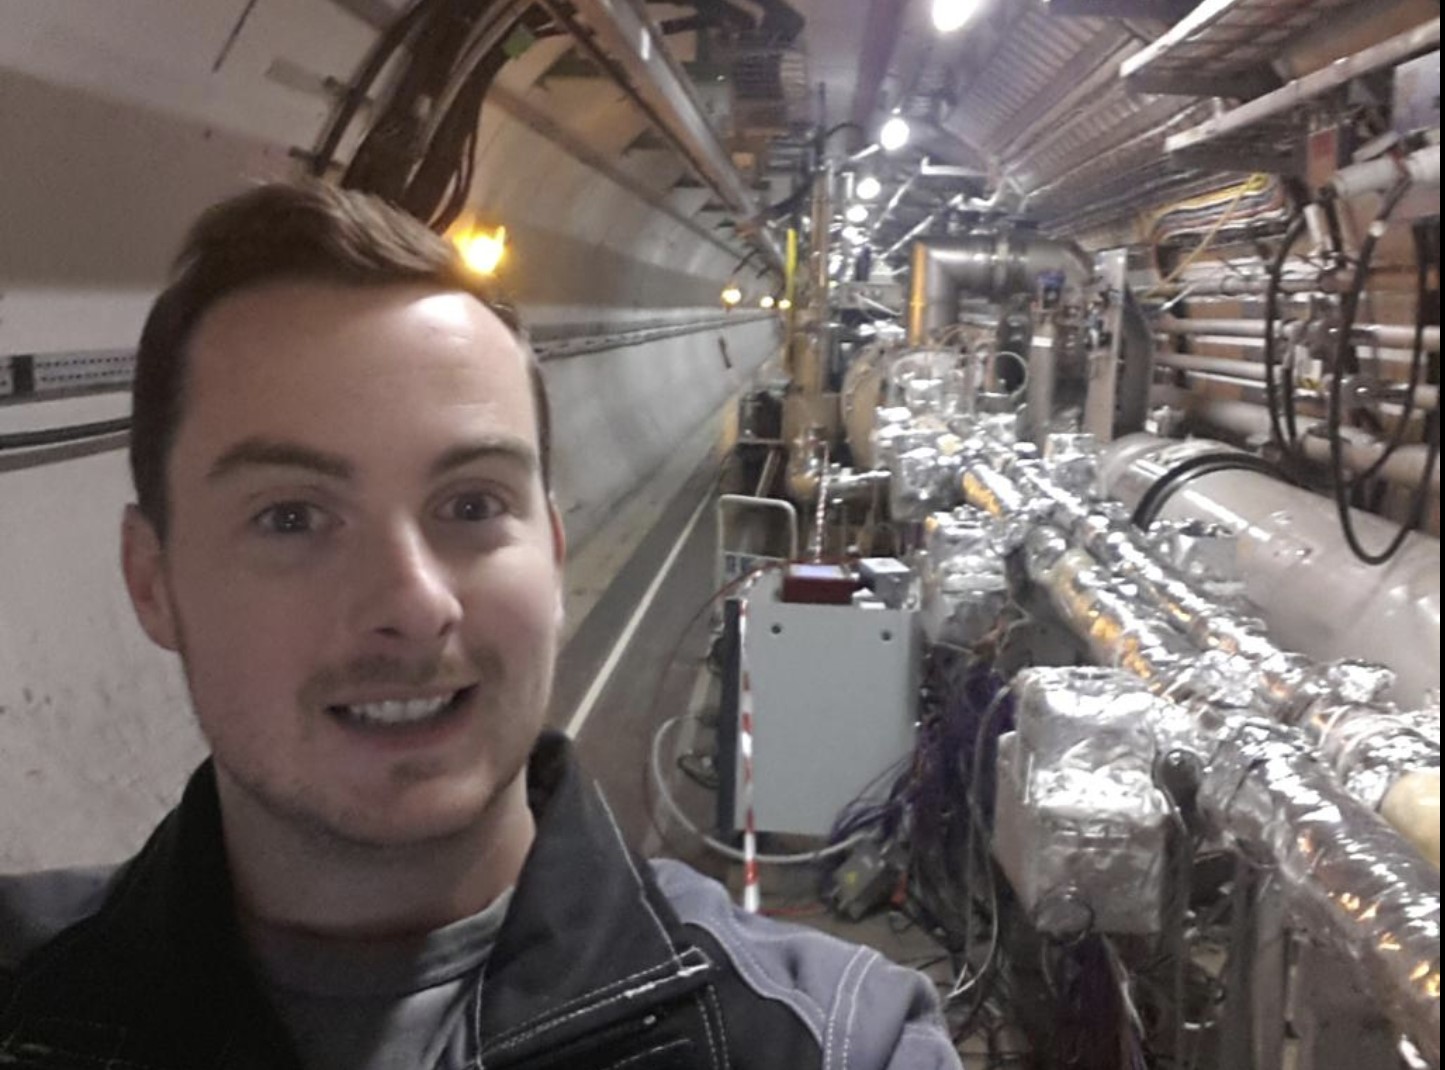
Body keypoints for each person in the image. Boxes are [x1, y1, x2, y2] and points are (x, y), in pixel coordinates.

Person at [0, 181, 962, 1070]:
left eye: (469, 505)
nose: (414, 602)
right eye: (290, 517)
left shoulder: (832, 1042)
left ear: (549, 548)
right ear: (153, 580)